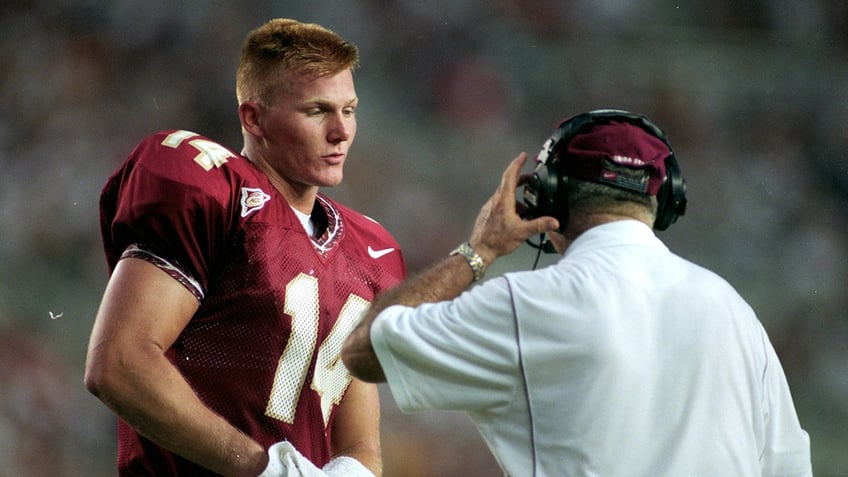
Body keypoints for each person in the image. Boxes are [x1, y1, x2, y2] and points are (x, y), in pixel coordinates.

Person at [342, 110, 812, 476]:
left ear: (548, 196)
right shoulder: (735, 311)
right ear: (665, 198)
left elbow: (365, 350)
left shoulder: (525, 305)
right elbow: (788, 466)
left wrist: (480, 250)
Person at [84, 18, 405, 477]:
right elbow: (118, 363)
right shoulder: (214, 189)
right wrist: (263, 469)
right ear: (253, 118)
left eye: (349, 110)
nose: (341, 132)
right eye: (317, 111)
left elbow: (355, 438)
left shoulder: (372, 249)